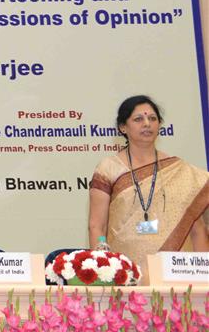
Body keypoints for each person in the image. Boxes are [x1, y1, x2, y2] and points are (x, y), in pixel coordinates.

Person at [88, 94, 209, 258]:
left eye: (152, 118)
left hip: (176, 270)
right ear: (123, 127)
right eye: (138, 119)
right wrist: (104, 265)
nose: (147, 124)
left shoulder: (181, 170)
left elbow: (197, 228)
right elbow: (97, 226)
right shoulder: (108, 168)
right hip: (127, 270)